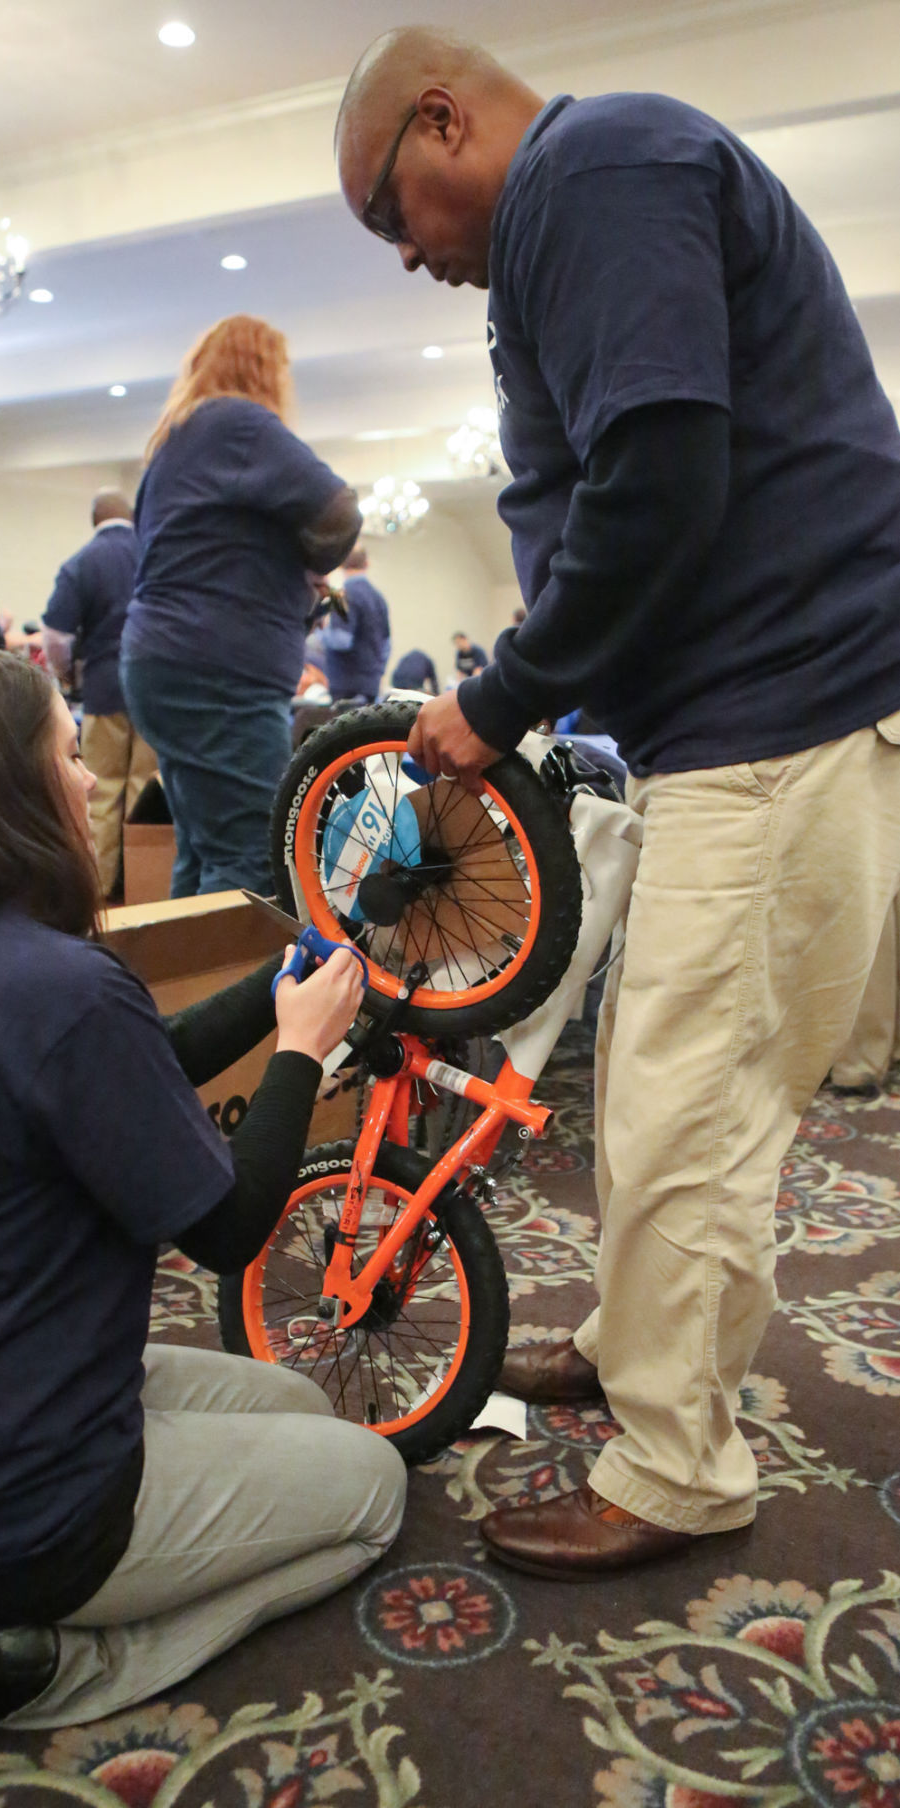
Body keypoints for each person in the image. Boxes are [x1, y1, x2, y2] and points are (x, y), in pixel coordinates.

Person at [337, 28, 900, 1578]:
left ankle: (679, 1469)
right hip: (743, 717)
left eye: (394, 218)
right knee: (682, 1081)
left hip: (780, 710)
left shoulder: (597, 170)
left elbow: (656, 478)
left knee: (687, 1105)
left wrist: (504, 691)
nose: (404, 258)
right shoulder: (585, 205)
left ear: (442, 121)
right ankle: (640, 1342)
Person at [0, 648, 406, 1751]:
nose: (89, 780)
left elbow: (136, 1064)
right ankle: (43, 1665)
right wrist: (300, 1055)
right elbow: (227, 1231)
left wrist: (268, 996)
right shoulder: (61, 988)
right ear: (4, 789)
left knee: (305, 1409)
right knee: (372, 1487)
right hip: (25, 1503)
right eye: (65, 751)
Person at [120, 314, 361, 897]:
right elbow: (339, 511)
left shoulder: (176, 443)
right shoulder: (238, 423)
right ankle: (234, 990)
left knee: (204, 852)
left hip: (168, 665)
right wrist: (312, 561)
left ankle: (186, 988)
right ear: (262, 369)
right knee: (253, 859)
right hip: (218, 674)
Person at [42, 491, 157, 899]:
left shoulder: (82, 562)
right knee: (145, 789)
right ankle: (141, 886)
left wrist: (65, 674)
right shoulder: (153, 552)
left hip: (105, 686)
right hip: (152, 688)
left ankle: (99, 891)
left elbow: (55, 638)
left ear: (95, 519)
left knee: (103, 789)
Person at [320, 544, 391, 703]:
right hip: (370, 686)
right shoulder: (379, 598)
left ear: (341, 564)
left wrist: (319, 632)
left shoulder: (344, 595)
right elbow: (386, 645)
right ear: (367, 564)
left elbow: (341, 640)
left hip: (346, 687)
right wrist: (375, 673)